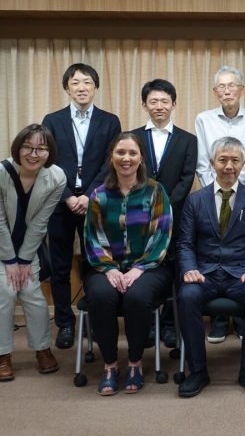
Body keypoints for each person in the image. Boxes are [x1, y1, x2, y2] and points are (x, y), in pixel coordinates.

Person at [177, 137, 245, 397]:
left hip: (240, 274)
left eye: (234, 160)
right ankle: (197, 371)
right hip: (204, 274)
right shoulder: (195, 200)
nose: (228, 166)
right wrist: (189, 269)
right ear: (212, 163)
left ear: (243, 165)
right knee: (186, 297)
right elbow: (184, 243)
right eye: (222, 160)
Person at [83, 132, 173, 396]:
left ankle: (135, 362)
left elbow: (162, 234)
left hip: (150, 266)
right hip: (105, 266)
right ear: (111, 157)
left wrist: (138, 268)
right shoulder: (99, 195)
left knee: (137, 296)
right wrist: (110, 269)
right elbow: (92, 237)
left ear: (141, 158)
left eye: (132, 153)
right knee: (100, 295)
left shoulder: (156, 191)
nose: (126, 158)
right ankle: (110, 365)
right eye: (121, 153)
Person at [42, 63, 122, 349]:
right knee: (60, 266)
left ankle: (94, 320)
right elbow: (45, 161)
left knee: (95, 262)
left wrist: (88, 195)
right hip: (59, 200)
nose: (82, 87)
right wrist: (67, 195)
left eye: (87, 82)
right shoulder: (52, 120)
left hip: (96, 200)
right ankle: (65, 322)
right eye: (75, 83)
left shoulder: (109, 121)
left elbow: (110, 160)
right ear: (67, 88)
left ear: (95, 87)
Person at [195, 66, 245, 344]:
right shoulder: (203, 119)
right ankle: (219, 320)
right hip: (213, 193)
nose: (227, 91)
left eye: (232, 85)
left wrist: (241, 192)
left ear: (242, 89)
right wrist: (215, 190)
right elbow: (203, 161)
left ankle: (240, 317)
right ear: (215, 92)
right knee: (215, 247)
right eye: (221, 87)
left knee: (242, 248)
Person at [130, 79, 197, 348]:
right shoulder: (132, 137)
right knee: (143, 267)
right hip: (138, 216)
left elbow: (187, 177)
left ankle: (170, 324)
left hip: (176, 215)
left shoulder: (188, 139)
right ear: (144, 105)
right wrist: (144, 206)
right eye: (153, 101)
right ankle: (146, 323)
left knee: (174, 267)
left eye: (165, 101)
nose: (159, 106)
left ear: (174, 104)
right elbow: (127, 173)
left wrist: (164, 205)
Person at [0, 125, 66, 381]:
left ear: (49, 152)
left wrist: (24, 259)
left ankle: (42, 349)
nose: (34, 153)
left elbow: (41, 222)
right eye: (28, 146)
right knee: (5, 293)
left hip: (29, 247)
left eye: (41, 148)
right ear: (18, 147)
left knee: (33, 294)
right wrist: (10, 260)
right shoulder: (2, 172)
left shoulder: (56, 177)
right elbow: (0, 222)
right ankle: (3, 355)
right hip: (2, 247)